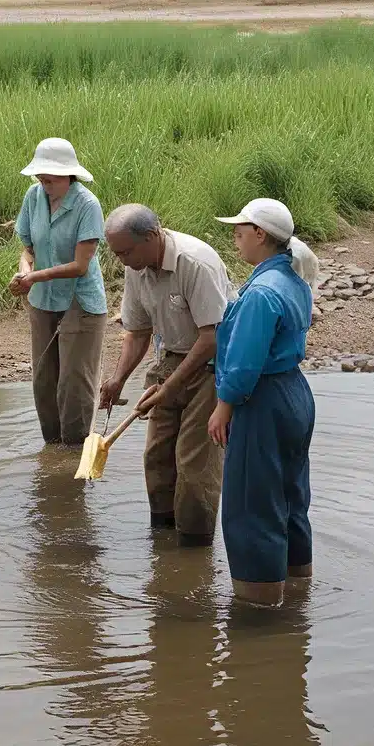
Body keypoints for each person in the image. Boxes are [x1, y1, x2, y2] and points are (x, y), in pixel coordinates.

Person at [99, 204, 234, 546]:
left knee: (194, 465)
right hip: (169, 358)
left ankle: (193, 550)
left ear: (152, 236)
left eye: (126, 252)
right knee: (157, 457)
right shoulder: (136, 264)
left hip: (211, 365)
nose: (121, 261)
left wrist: (170, 387)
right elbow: (138, 331)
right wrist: (118, 379)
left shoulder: (194, 263)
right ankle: (161, 539)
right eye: (116, 253)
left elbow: (211, 339)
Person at [208, 198, 317, 608]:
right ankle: (298, 589)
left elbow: (244, 361)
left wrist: (224, 406)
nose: (234, 238)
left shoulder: (261, 293)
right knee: (290, 496)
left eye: (240, 231)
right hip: (295, 394)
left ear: (260, 235)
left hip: (262, 398)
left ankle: (259, 610)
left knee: (252, 504)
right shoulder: (293, 278)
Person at [10, 138, 107, 445]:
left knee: (73, 383)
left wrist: (34, 277)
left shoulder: (87, 205)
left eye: (50, 178)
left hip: (80, 301)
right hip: (42, 300)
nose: (44, 182)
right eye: (41, 177)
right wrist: (25, 271)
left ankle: (73, 452)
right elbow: (27, 249)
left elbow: (80, 265)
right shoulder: (34, 196)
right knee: (44, 380)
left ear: (68, 175)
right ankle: (52, 448)